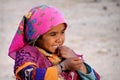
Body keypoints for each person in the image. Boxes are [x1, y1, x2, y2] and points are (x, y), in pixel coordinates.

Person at [8, 5, 100, 80]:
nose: (59, 39)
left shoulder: (64, 54)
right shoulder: (26, 55)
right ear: (36, 36)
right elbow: (31, 76)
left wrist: (79, 65)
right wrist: (63, 67)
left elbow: (95, 78)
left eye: (62, 32)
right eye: (53, 34)